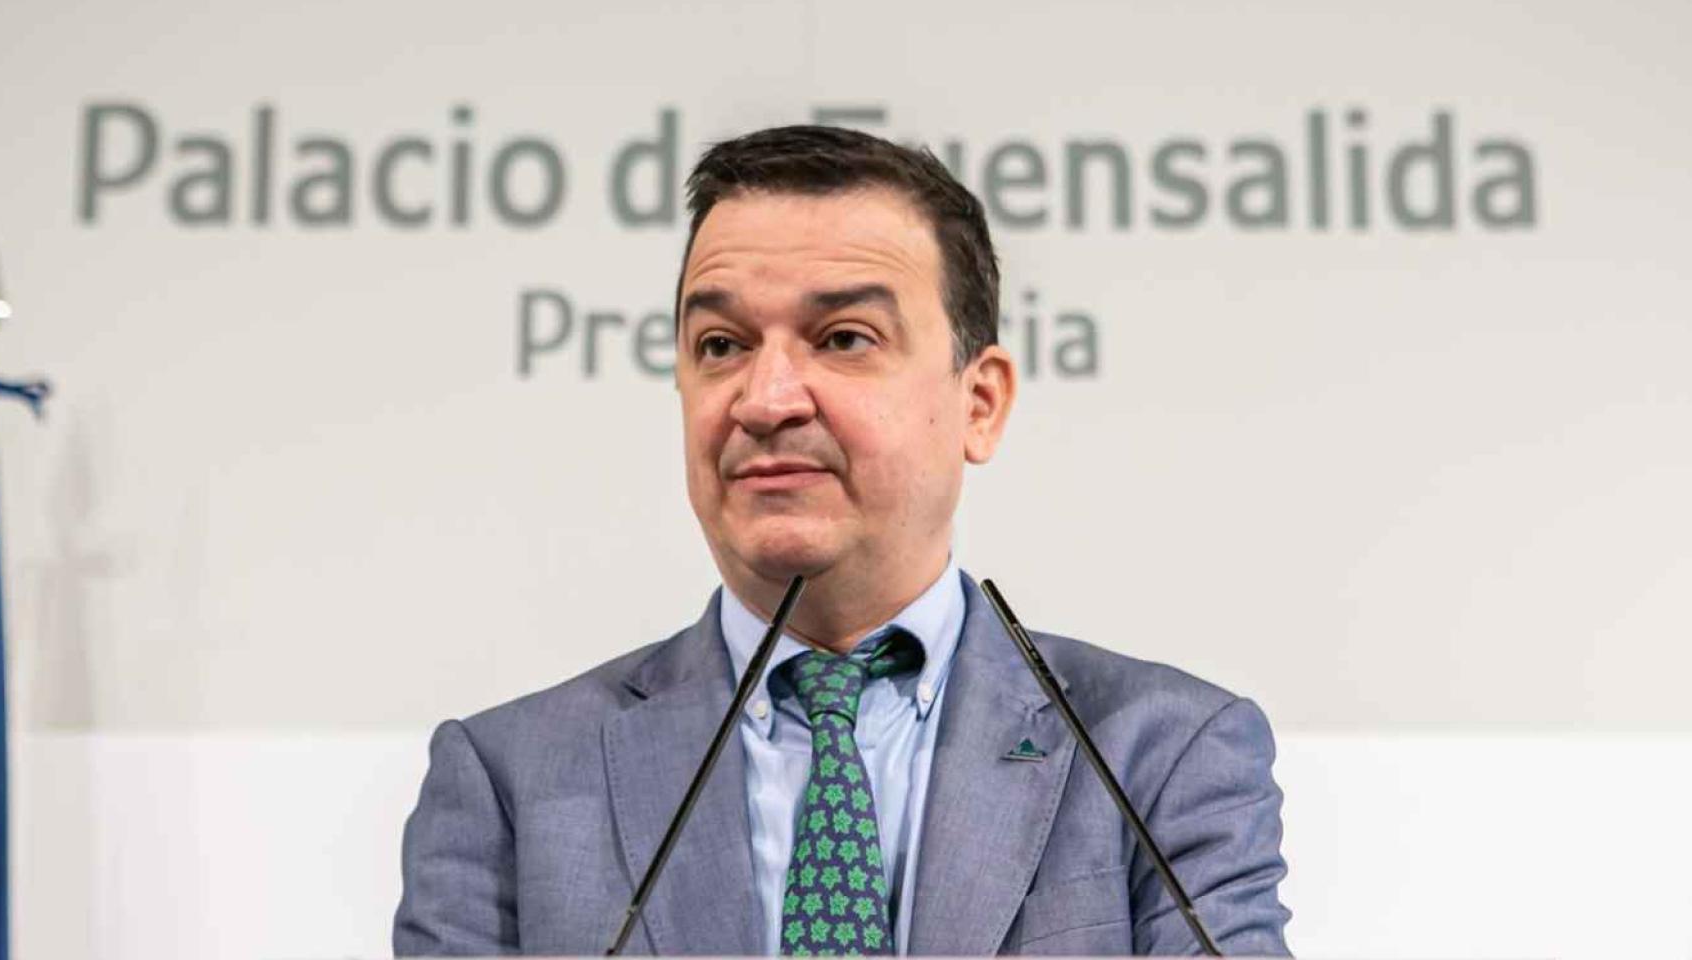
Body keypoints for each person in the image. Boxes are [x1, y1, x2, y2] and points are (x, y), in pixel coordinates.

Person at [393, 125, 1291, 957]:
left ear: (979, 404)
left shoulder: (1160, 756)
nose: (764, 399)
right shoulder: (509, 782)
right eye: (721, 345)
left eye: (843, 338)